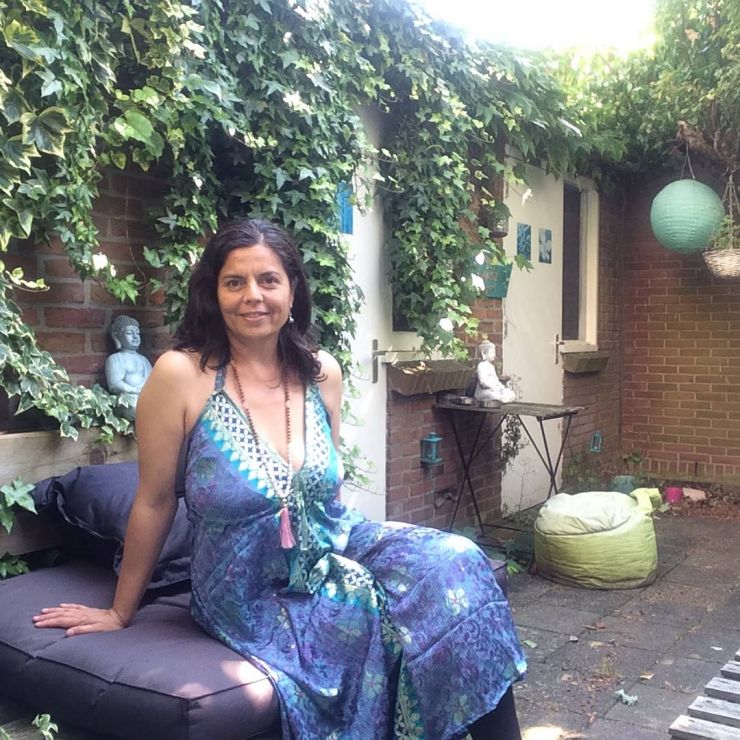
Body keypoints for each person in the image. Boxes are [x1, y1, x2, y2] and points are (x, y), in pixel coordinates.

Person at [33, 219, 526, 739]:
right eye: (234, 282)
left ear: (292, 291)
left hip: (332, 545)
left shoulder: (321, 372)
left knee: (457, 561)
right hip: (243, 587)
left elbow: (325, 491)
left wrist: (344, 557)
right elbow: (154, 501)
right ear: (213, 293)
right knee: (362, 604)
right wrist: (119, 611)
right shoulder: (180, 375)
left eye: (268, 280)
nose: (253, 296)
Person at [105, 315, 152, 418]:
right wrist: (133, 390)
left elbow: (152, 381)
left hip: (146, 396)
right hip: (128, 399)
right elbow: (114, 385)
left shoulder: (144, 360)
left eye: (137, 333)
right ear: (117, 336)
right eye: (129, 333)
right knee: (135, 406)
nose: (135, 337)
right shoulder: (115, 359)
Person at [474, 339, 516, 404]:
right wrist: (494, 387)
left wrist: (501, 387)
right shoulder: (481, 366)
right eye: (491, 353)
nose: (494, 355)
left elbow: (496, 380)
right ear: (483, 353)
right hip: (484, 391)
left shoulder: (491, 366)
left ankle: (503, 398)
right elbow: (483, 383)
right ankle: (502, 398)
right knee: (494, 395)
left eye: (494, 353)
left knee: (511, 393)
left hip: (494, 389)